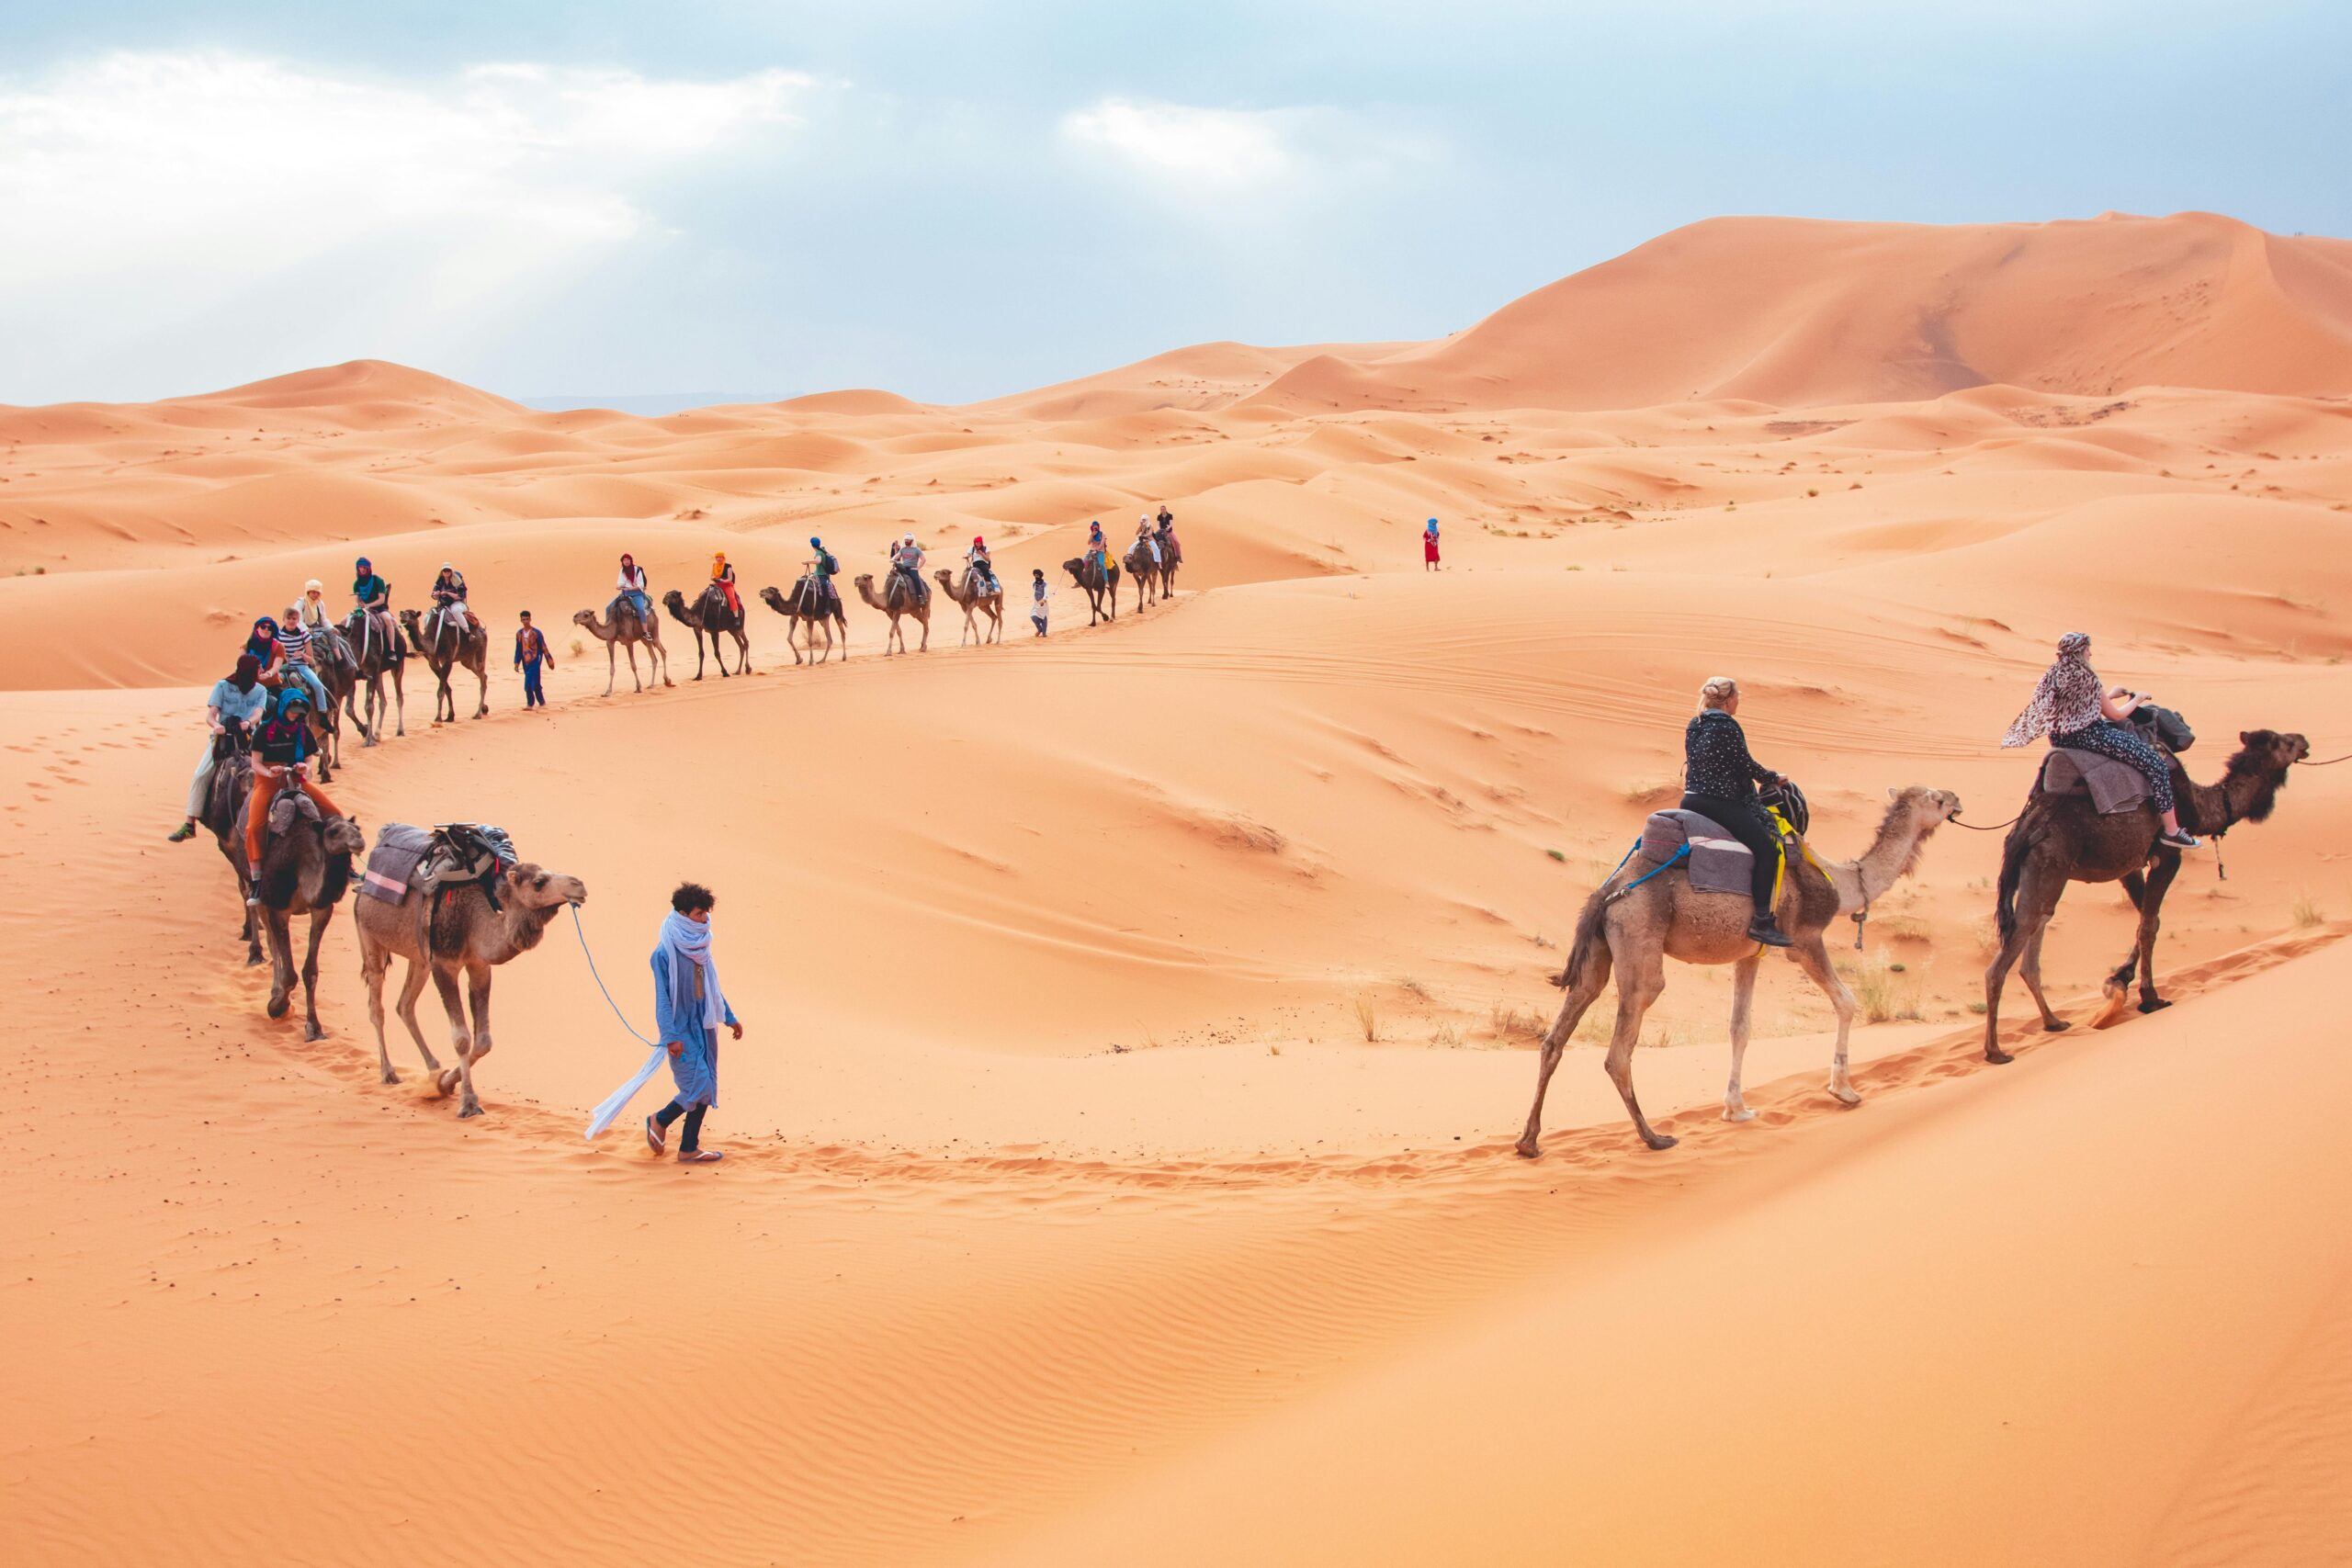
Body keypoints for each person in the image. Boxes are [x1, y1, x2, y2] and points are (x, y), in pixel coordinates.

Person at [2003, 632, 2197, 848]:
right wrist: (2137, 699)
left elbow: (2074, 704)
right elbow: (2115, 715)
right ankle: (2172, 831)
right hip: (2089, 736)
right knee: (2156, 764)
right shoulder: (2087, 677)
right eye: (2087, 649)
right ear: (2080, 651)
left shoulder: (2054, 674)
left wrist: (2109, 695)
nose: (2090, 653)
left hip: (2060, 738)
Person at [1682, 676, 1795, 948]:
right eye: (1738, 698)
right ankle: (1762, 921)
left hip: (1690, 800)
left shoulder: (1695, 723)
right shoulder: (1727, 725)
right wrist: (1772, 777)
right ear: (1729, 700)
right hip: (1718, 802)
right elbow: (1744, 764)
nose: (1738, 702)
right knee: (1768, 850)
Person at [643, 881, 742, 1165]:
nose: (705, 919)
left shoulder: (701, 947)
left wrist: (729, 1017)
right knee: (697, 1085)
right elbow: (662, 1000)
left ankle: (689, 1148)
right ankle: (659, 1120)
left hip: (705, 1026)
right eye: (700, 914)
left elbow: (712, 987)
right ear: (684, 914)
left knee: (707, 1085)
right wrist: (670, 1036)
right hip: (680, 1030)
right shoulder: (664, 954)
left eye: (706, 913)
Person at [243, 689, 343, 901]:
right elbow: (255, 763)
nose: (295, 715)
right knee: (254, 827)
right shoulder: (264, 731)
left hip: (296, 780)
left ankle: (341, 866)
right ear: (283, 708)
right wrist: (270, 772)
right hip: (268, 781)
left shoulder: (302, 731)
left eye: (298, 712)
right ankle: (257, 880)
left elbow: (309, 760)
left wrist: (302, 767)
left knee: (335, 813)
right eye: (292, 711)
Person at [170, 653, 273, 842]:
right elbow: (210, 715)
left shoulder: (260, 690)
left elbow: (258, 713)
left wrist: (248, 722)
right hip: (223, 738)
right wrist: (216, 725)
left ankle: (276, 821)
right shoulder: (222, 686)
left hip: (251, 739)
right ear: (250, 671)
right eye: (259, 669)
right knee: (200, 775)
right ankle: (189, 823)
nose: (262, 672)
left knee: (274, 773)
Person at [275, 604, 333, 716]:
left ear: (298, 620)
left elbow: (311, 660)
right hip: (283, 668)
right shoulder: (278, 636)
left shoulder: (304, 636)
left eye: (294, 619)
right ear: (283, 619)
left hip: (301, 667)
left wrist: (302, 654)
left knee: (317, 684)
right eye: (289, 618)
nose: (291, 621)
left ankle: (323, 713)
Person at [351, 558, 396, 660]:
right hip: (364, 610)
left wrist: (368, 606)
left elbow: (381, 599)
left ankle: (392, 650)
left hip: (379, 609)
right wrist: (360, 605)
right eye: (360, 567)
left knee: (388, 619)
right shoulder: (356, 583)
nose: (362, 570)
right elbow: (358, 599)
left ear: (368, 568)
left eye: (364, 567)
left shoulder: (378, 581)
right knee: (346, 621)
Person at [514, 611, 554, 708]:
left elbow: (543, 646)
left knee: (530, 682)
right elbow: (518, 649)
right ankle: (541, 702)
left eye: (527, 619)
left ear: (530, 619)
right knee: (535, 683)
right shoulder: (519, 634)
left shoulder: (537, 633)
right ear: (521, 620)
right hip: (525, 662)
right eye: (523, 619)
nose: (526, 621)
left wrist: (549, 660)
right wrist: (516, 662)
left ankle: (530, 704)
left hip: (535, 660)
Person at [430, 562, 478, 638]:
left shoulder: (456, 581)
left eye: (448, 570)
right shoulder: (440, 581)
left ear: (451, 571)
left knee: (455, 611)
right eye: (445, 570)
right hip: (443, 605)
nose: (446, 572)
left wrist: (447, 593)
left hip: (458, 603)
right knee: (429, 615)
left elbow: (460, 596)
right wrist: (436, 594)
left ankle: (468, 632)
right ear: (442, 572)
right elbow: (433, 595)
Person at [616, 554, 653, 630]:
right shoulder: (622, 571)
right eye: (624, 560)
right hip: (625, 594)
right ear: (622, 562)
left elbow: (641, 585)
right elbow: (621, 582)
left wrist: (630, 589)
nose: (626, 561)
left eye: (628, 560)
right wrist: (619, 586)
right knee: (609, 607)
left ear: (631, 560)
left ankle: (645, 631)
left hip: (637, 594)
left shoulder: (637, 570)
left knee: (641, 609)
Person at [806, 536, 841, 614]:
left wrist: (807, 562)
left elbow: (818, 561)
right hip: (817, 574)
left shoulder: (819, 552)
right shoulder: (821, 551)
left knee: (824, 587)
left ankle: (826, 607)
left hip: (822, 575)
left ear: (812, 545)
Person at [890, 533, 928, 603]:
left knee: (916, 579)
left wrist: (918, 568)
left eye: (908, 540)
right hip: (904, 568)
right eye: (906, 540)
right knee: (892, 575)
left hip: (912, 569)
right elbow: (898, 555)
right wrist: (893, 559)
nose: (906, 541)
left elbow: (923, 559)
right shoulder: (903, 549)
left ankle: (920, 596)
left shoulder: (917, 550)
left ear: (912, 541)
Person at [710, 551, 741, 619]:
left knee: (731, 598)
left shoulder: (728, 566)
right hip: (717, 584)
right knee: (705, 595)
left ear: (723, 558)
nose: (718, 559)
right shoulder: (714, 565)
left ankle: (736, 617)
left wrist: (723, 580)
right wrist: (714, 578)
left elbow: (730, 579)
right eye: (717, 557)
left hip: (727, 585)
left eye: (720, 557)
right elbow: (711, 576)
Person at [1030, 568, 1049, 637]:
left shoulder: (1045, 583)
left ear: (1040, 575)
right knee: (1033, 617)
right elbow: (1035, 591)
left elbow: (1046, 593)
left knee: (1043, 617)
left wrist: (1043, 600)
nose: (1036, 577)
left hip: (1043, 603)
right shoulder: (1033, 583)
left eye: (1037, 575)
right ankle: (1039, 629)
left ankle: (1044, 633)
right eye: (1035, 575)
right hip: (1036, 603)